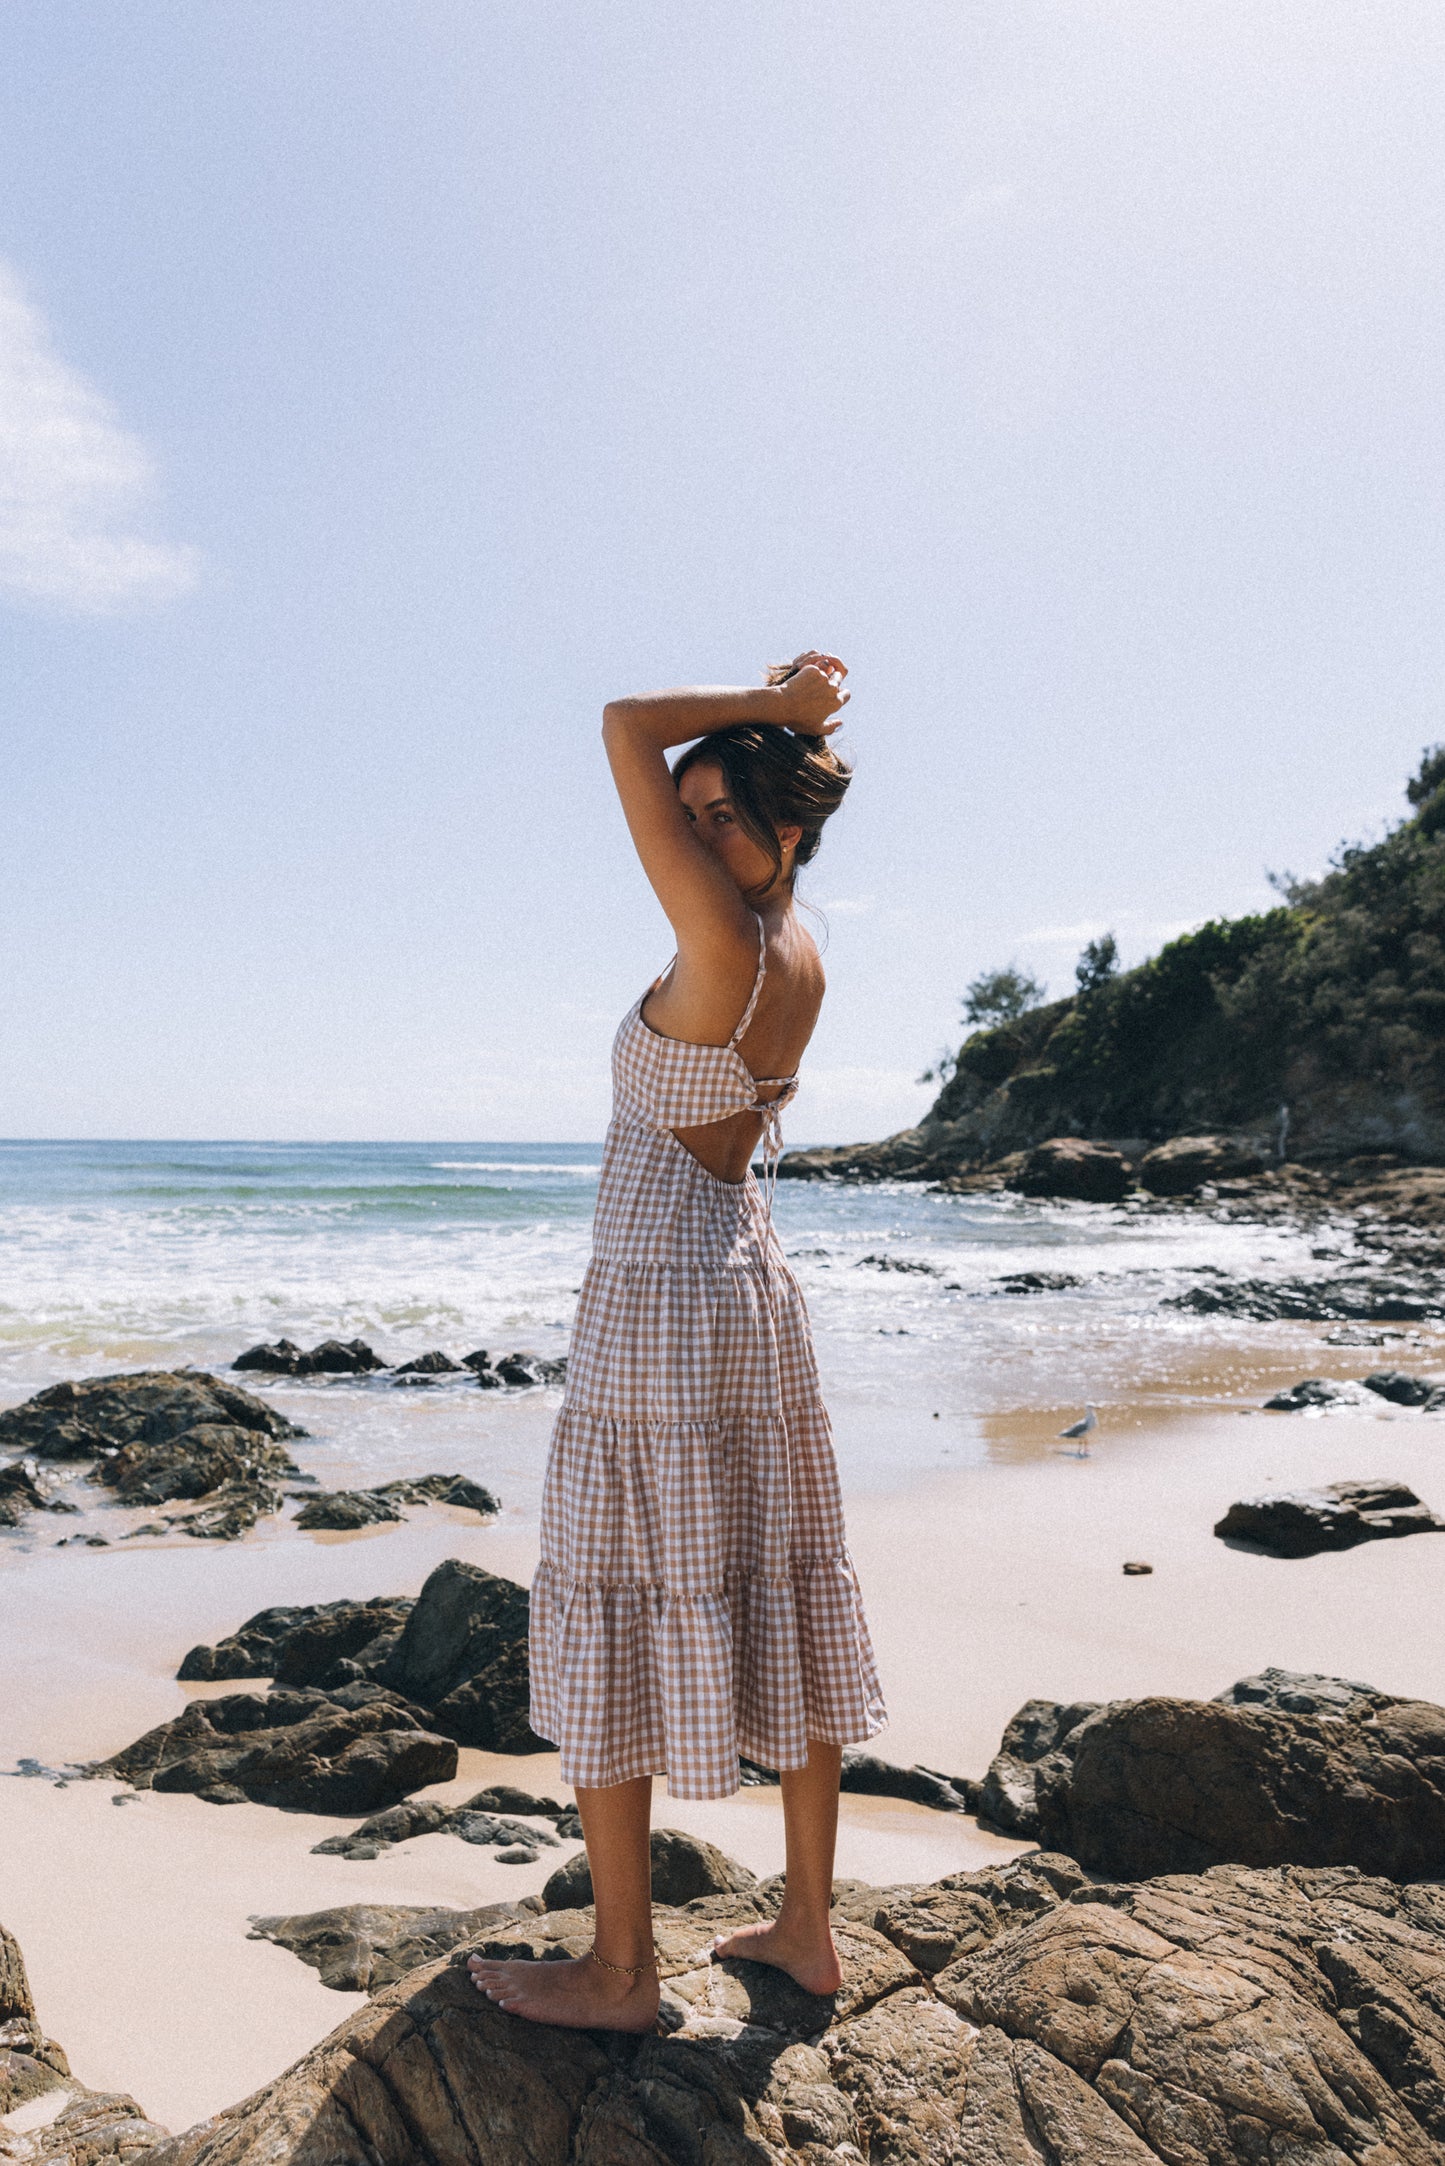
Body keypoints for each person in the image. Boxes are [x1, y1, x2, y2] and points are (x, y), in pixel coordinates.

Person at [468, 651, 886, 2031]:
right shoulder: (800, 948)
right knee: (776, 1573)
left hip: (657, 1294)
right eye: (690, 812)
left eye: (722, 811)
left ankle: (622, 1969)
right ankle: (809, 1927)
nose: (693, 832)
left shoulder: (719, 938)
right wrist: (768, 732)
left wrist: (761, 702)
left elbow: (614, 727)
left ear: (790, 827)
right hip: (746, 1282)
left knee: (609, 1600)